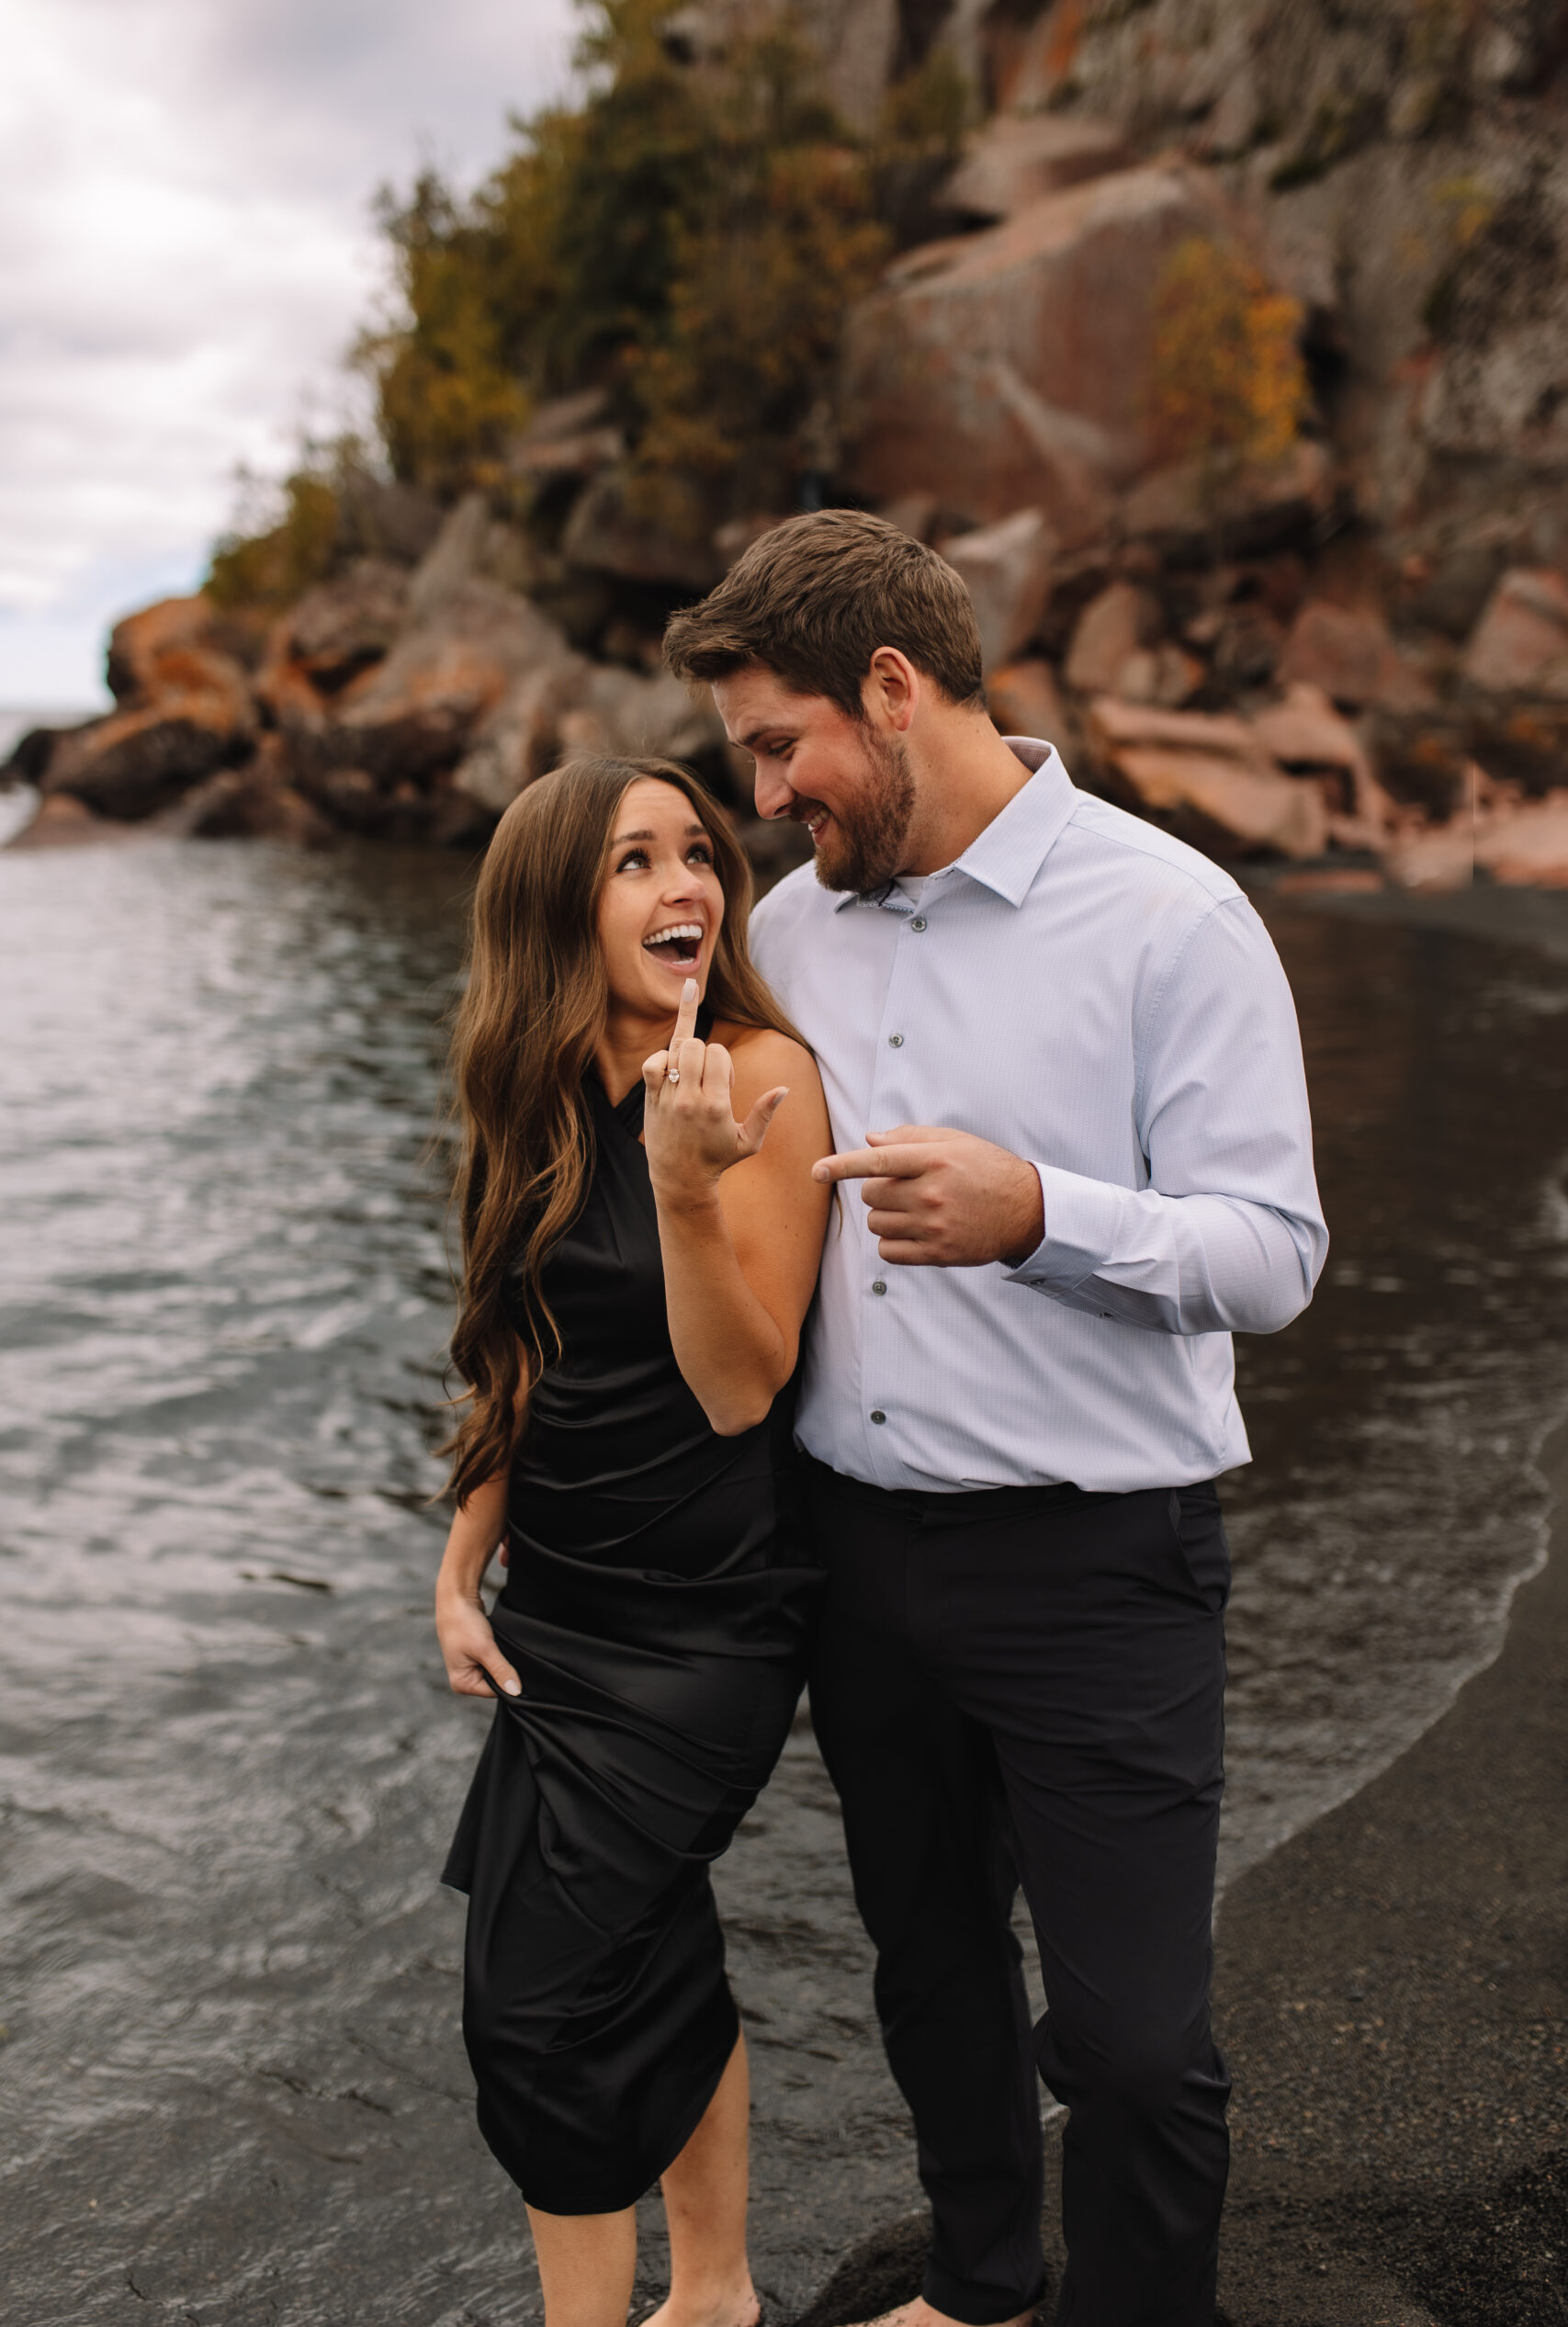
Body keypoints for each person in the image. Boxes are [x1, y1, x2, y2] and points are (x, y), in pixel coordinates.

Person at [662, 512, 1328, 2327]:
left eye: (776, 743)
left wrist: (1039, 1210)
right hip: (850, 1550)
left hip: (1097, 1558)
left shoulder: (1168, 912)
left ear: (889, 688)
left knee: (1128, 2039)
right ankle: (977, 2280)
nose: (767, 792)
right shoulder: (785, 931)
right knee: (929, 1967)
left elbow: (1269, 1256)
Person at [434, 755, 831, 2327]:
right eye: (634, 862)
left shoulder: (761, 1073)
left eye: (698, 854)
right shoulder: (528, 1092)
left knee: (530, 2018)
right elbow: (515, 1361)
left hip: (708, 1622)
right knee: (652, 1952)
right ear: (556, 911)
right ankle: (717, 2293)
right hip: (561, 1609)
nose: (687, 887)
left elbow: (745, 1389)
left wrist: (684, 1189)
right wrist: (461, 1565)